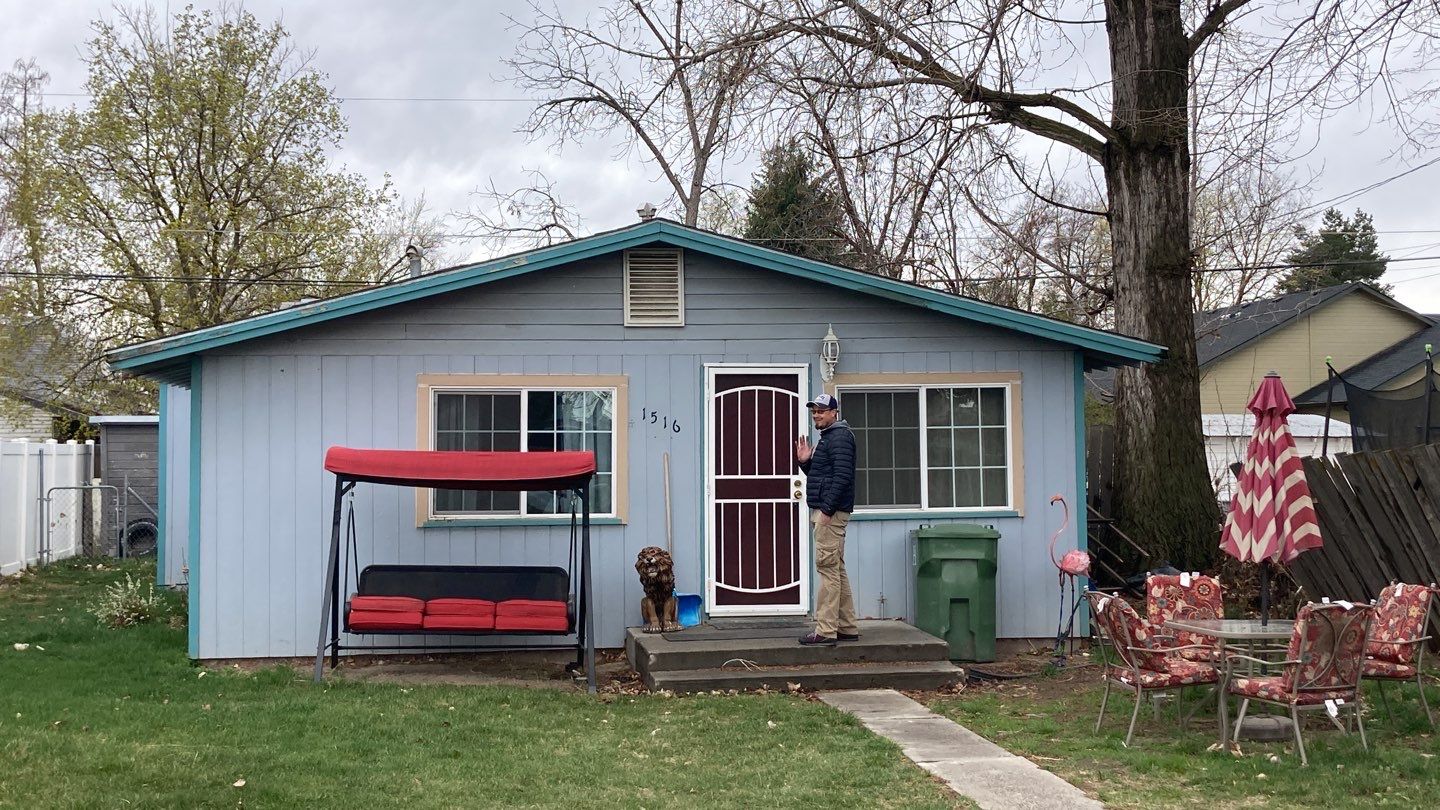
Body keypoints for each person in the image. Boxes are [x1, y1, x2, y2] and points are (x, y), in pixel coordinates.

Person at [793, 392, 858, 646]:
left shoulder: (840, 437)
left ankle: (825, 630)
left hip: (830, 513)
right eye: (814, 411)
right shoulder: (829, 438)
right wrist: (806, 463)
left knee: (827, 570)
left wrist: (828, 511)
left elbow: (842, 478)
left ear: (834, 412)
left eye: (821, 410)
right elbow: (824, 476)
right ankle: (847, 627)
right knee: (836, 569)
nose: (817, 415)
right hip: (829, 511)